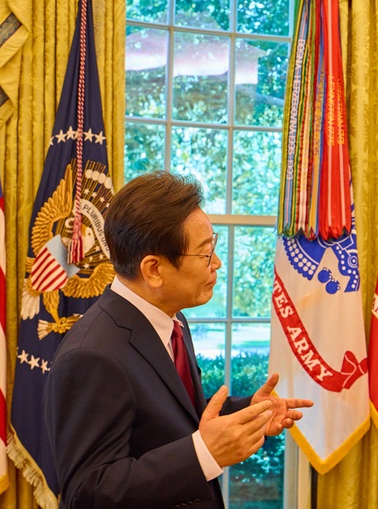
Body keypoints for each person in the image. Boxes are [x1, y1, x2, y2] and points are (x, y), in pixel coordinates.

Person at [44, 171, 313, 509]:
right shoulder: (91, 356)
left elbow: (173, 418)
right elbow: (89, 493)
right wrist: (204, 453)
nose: (216, 263)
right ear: (153, 269)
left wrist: (249, 412)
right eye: (204, 253)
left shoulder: (172, 319)